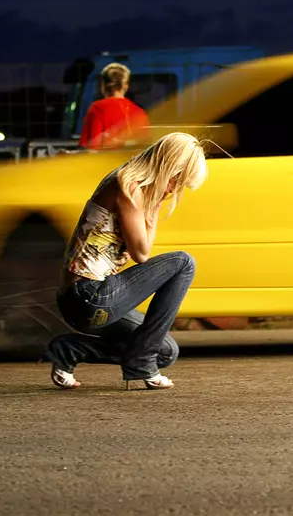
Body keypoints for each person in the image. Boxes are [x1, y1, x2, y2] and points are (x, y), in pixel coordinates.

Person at [43, 132, 207, 390]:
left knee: (164, 351)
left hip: (90, 303)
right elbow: (142, 254)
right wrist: (154, 206)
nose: (175, 188)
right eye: (177, 179)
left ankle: (69, 349)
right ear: (168, 167)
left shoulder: (134, 185)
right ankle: (141, 362)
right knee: (184, 263)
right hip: (87, 295)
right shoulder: (127, 185)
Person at [78, 62, 150, 150]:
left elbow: (91, 147)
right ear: (126, 86)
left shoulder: (97, 108)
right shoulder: (139, 112)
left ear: (103, 85)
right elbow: (145, 147)